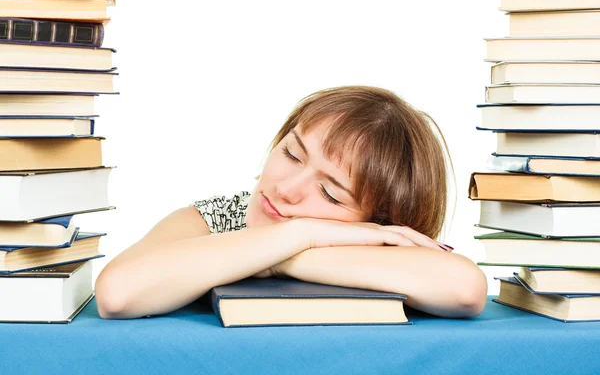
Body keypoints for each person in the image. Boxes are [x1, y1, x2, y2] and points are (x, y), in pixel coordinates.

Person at [95, 86, 487, 320]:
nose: (287, 188)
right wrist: (303, 233)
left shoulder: (377, 251)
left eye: (330, 192)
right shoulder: (214, 217)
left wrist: (283, 253)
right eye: (292, 154)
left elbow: (464, 289)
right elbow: (117, 294)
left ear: (379, 222)